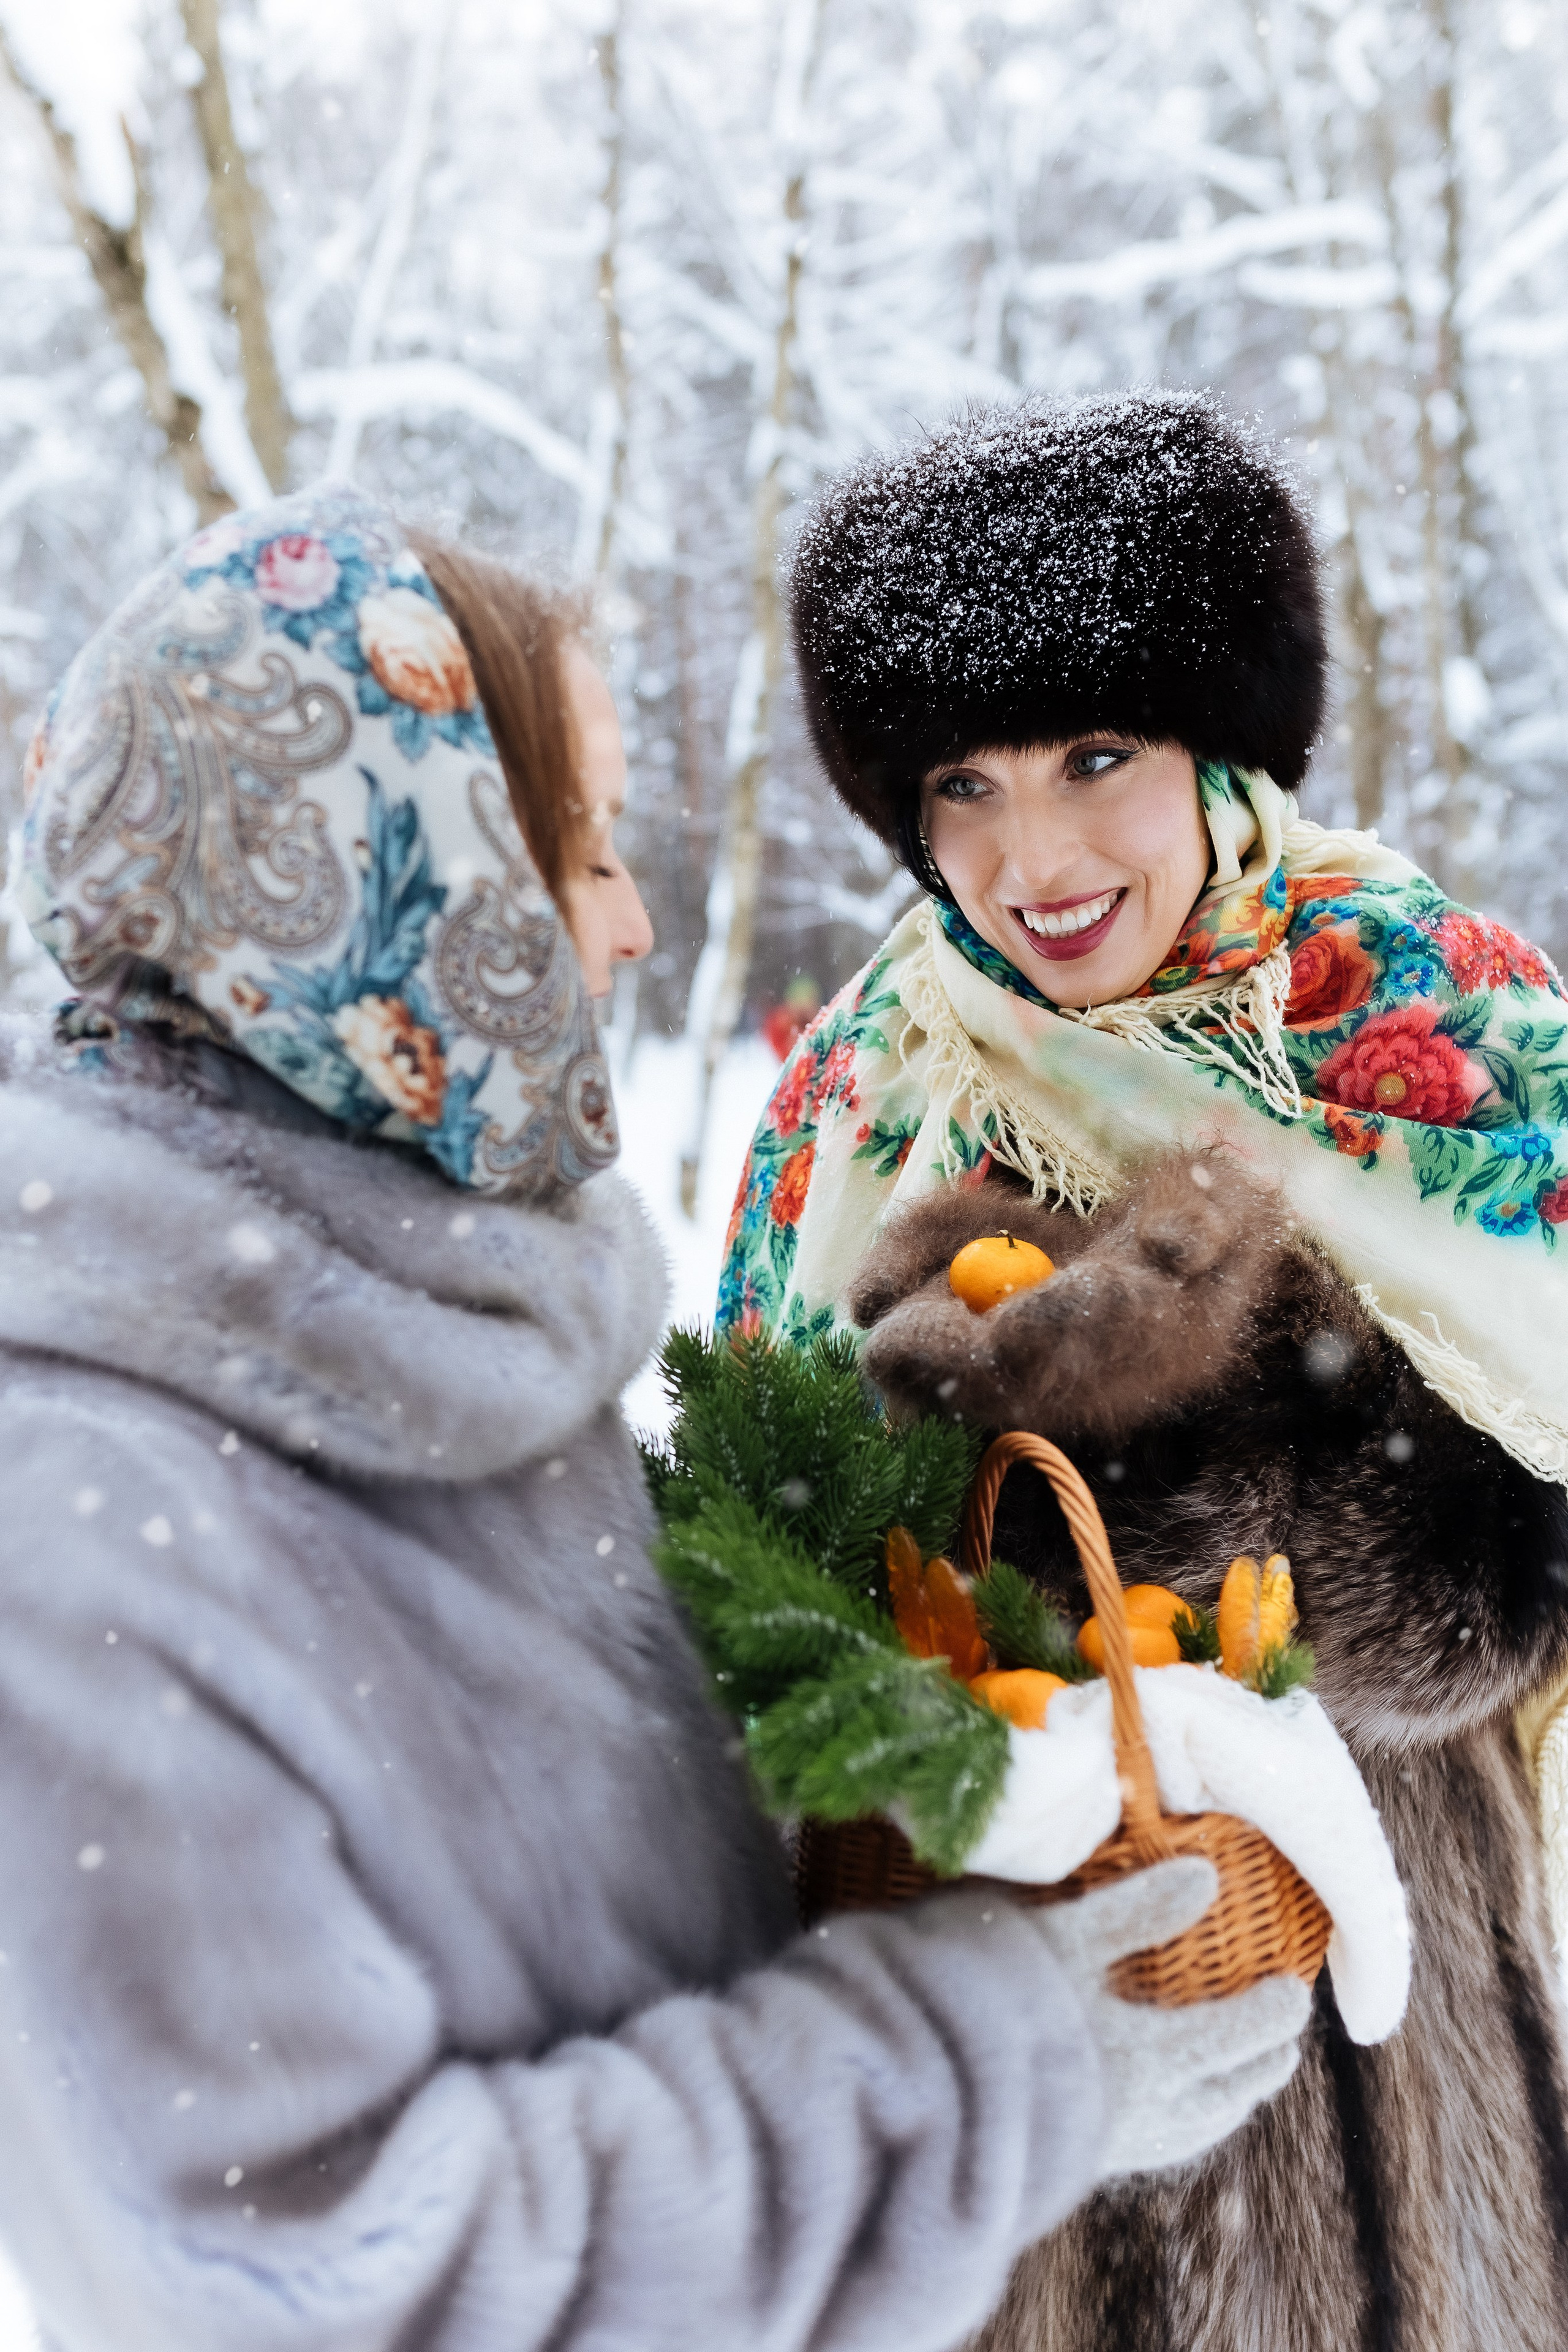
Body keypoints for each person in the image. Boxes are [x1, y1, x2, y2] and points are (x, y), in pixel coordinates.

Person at [0, 484, 1306, 2352]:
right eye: (578, 846)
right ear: (393, 888)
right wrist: (988, 2071)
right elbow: (333, 2282)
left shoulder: (404, 1332)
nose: (622, 926)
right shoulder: (78, 1515)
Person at [721, 394, 1568, 2348]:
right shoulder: (866, 1088)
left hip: (1390, 2030)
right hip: (1026, 2043)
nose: (1035, 856)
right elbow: (753, 1573)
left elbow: (1526, 1572)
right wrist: (907, 1480)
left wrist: (1213, 1442)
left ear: (1218, 751)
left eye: (1097, 757)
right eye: (966, 784)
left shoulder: (1433, 1025)